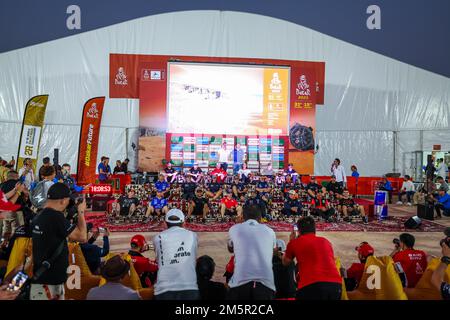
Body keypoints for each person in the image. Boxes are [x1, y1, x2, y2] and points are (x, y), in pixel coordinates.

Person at [30, 183, 87, 300]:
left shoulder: (39, 216)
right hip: (50, 283)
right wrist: (81, 212)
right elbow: (82, 237)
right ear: (62, 201)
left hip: (41, 276)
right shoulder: (56, 217)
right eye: (67, 201)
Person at [283, 216, 342, 300]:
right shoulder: (326, 241)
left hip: (311, 285)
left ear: (299, 231)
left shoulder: (294, 242)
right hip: (336, 285)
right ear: (314, 229)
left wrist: (290, 241)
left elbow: (285, 262)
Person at [227, 204, 276, 300]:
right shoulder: (270, 231)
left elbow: (230, 248)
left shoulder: (235, 229)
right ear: (260, 218)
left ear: (243, 217)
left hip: (240, 283)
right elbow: (273, 251)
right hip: (265, 284)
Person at [153, 209, 200, 300]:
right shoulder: (193, 235)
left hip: (163, 289)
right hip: (189, 287)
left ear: (165, 224)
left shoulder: (157, 238)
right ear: (183, 223)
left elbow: (159, 260)